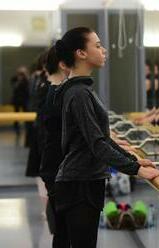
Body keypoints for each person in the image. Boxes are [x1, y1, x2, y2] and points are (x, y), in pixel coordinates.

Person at [54, 27, 159, 248]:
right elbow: (97, 144)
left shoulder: (83, 90)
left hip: (84, 181)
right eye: (97, 45)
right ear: (81, 53)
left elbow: (101, 138)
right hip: (79, 185)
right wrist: (137, 170)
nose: (104, 50)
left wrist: (132, 160)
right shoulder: (78, 94)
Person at [39, 45, 71, 247]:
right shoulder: (57, 93)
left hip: (54, 166)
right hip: (57, 167)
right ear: (62, 64)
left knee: (62, 230)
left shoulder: (51, 90)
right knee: (63, 230)